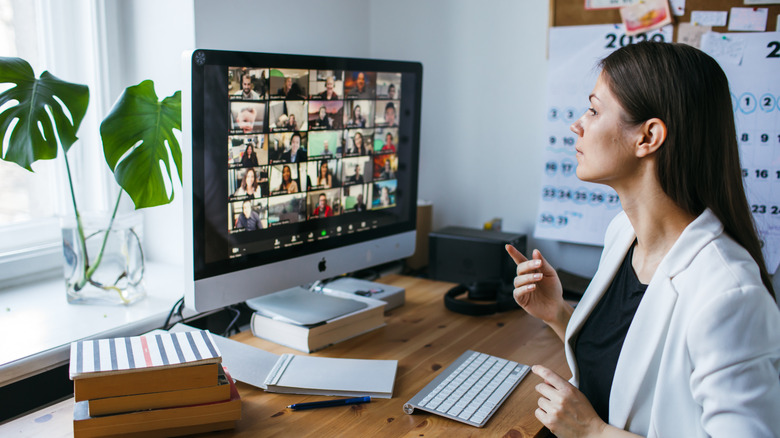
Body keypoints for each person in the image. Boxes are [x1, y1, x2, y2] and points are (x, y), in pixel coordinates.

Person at [506, 42, 780, 438]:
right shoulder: (623, 233)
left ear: (648, 136)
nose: (577, 124)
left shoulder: (729, 294)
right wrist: (558, 314)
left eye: (595, 110)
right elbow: (629, 366)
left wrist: (593, 433)